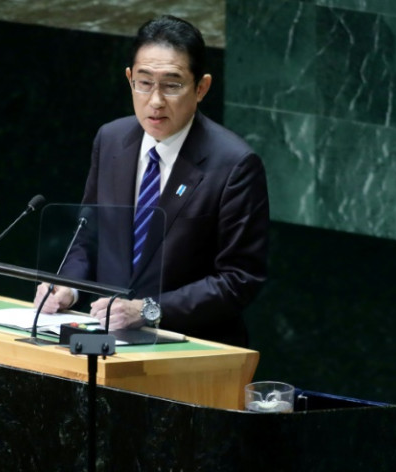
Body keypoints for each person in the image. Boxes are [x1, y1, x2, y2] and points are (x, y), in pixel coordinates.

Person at [34, 14, 269, 347]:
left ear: (201, 87)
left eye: (172, 85)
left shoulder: (234, 165)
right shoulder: (111, 140)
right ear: (130, 79)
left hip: (190, 350)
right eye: (144, 83)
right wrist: (66, 287)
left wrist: (148, 310)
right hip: (104, 343)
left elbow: (238, 279)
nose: (155, 101)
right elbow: (88, 235)